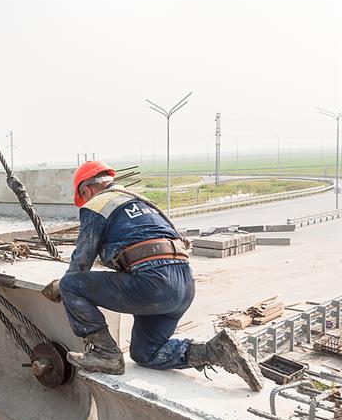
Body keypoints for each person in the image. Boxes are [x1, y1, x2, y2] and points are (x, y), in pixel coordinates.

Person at [42, 160, 263, 391]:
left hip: (153, 284)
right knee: (146, 352)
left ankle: (106, 353)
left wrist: (63, 286)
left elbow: (82, 259)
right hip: (184, 285)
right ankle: (214, 351)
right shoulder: (141, 202)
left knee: (71, 285)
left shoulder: (98, 203)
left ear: (86, 190)